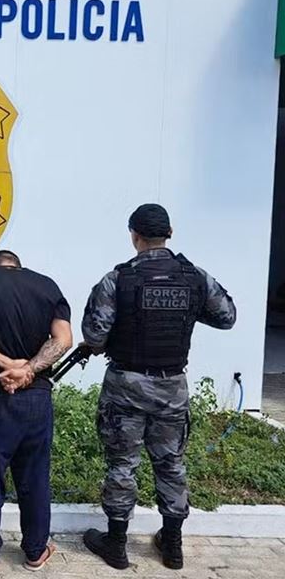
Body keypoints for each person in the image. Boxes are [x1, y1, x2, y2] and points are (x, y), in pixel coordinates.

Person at [81, 203, 236, 570]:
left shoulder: (118, 279)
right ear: (169, 234)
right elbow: (226, 316)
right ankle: (173, 545)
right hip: (172, 387)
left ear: (134, 235)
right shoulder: (195, 277)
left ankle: (116, 544)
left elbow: (95, 336)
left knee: (122, 463)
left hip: (126, 386)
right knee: (171, 463)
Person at [0, 250, 72, 573]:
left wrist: (8, 365)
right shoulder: (47, 285)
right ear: (18, 266)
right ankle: (35, 551)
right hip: (37, 396)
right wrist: (28, 369)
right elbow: (64, 340)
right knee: (35, 475)